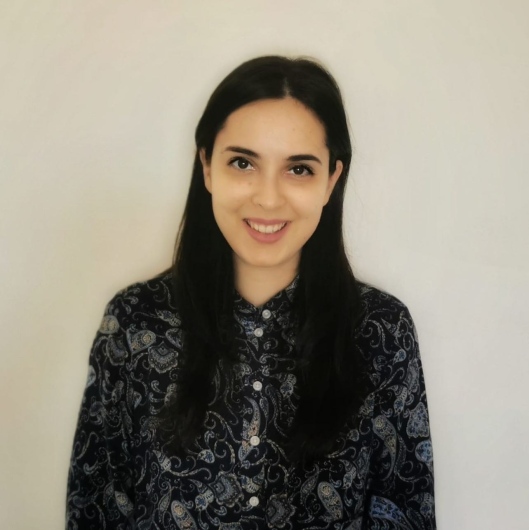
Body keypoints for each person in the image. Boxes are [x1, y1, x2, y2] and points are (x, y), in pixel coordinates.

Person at [66, 56, 436, 529]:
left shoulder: (381, 332)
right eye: (243, 163)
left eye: (299, 169)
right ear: (207, 166)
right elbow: (95, 506)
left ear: (331, 180)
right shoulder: (135, 322)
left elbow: (405, 510)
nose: (267, 198)